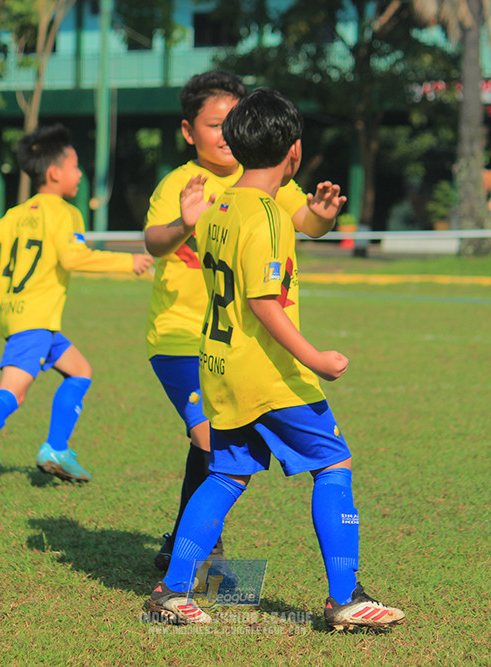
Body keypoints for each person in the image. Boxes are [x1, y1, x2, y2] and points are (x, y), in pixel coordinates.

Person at [146, 88, 404, 631]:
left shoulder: (218, 206)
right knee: (333, 462)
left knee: (225, 475)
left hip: (219, 366)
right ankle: (346, 598)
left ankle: (172, 591)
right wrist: (316, 358)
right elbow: (264, 302)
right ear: (295, 152)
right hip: (268, 374)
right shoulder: (267, 216)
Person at [143, 71, 346, 569]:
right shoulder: (185, 184)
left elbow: (308, 223)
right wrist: (183, 223)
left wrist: (322, 215)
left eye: (230, 122)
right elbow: (154, 242)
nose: (223, 134)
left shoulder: (259, 182)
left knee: (222, 459)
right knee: (211, 443)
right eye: (214, 124)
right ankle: (198, 559)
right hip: (182, 336)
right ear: (189, 131)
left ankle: (183, 556)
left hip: (233, 341)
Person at [0, 124, 153, 500]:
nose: (80, 174)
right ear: (54, 172)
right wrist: (126, 261)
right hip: (34, 322)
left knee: (80, 370)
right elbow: (73, 257)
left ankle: (56, 450)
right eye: (75, 167)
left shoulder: (17, 213)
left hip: (24, 318)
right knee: (12, 393)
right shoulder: (66, 213)